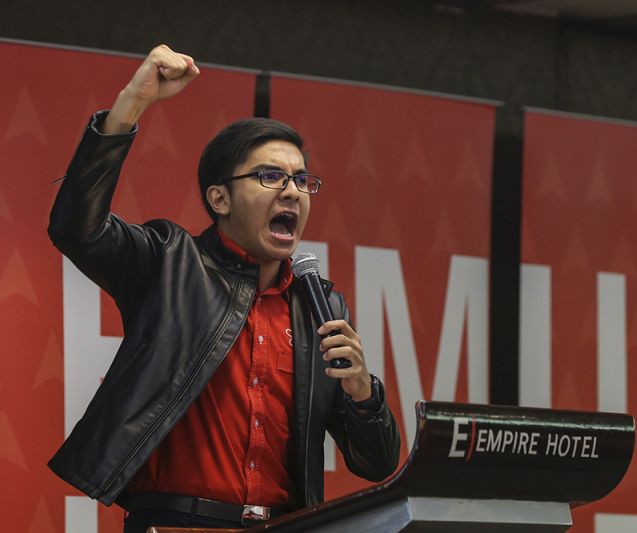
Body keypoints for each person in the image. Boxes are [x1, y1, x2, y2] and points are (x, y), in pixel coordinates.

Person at [47, 45, 400, 533]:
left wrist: (363, 391)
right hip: (174, 523)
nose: (292, 191)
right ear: (219, 198)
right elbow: (76, 228)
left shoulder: (320, 306)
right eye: (270, 176)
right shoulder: (170, 263)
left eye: (301, 179)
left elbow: (377, 465)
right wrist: (132, 103)